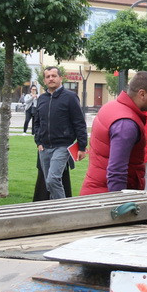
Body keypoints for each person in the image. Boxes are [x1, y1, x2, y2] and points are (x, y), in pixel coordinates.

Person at [80, 72, 147, 195]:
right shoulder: (126, 124)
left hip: (96, 192)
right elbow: (116, 172)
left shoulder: (112, 107)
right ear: (142, 94)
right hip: (106, 197)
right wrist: (120, 203)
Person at [34, 66, 88, 199]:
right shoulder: (42, 99)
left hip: (62, 146)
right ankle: (55, 208)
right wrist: (38, 141)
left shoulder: (70, 97)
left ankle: (63, 207)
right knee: (49, 183)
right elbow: (37, 122)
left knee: (53, 179)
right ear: (44, 80)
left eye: (54, 76)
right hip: (44, 148)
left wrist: (82, 146)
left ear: (60, 78)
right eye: (48, 77)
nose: (51, 79)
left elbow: (79, 122)